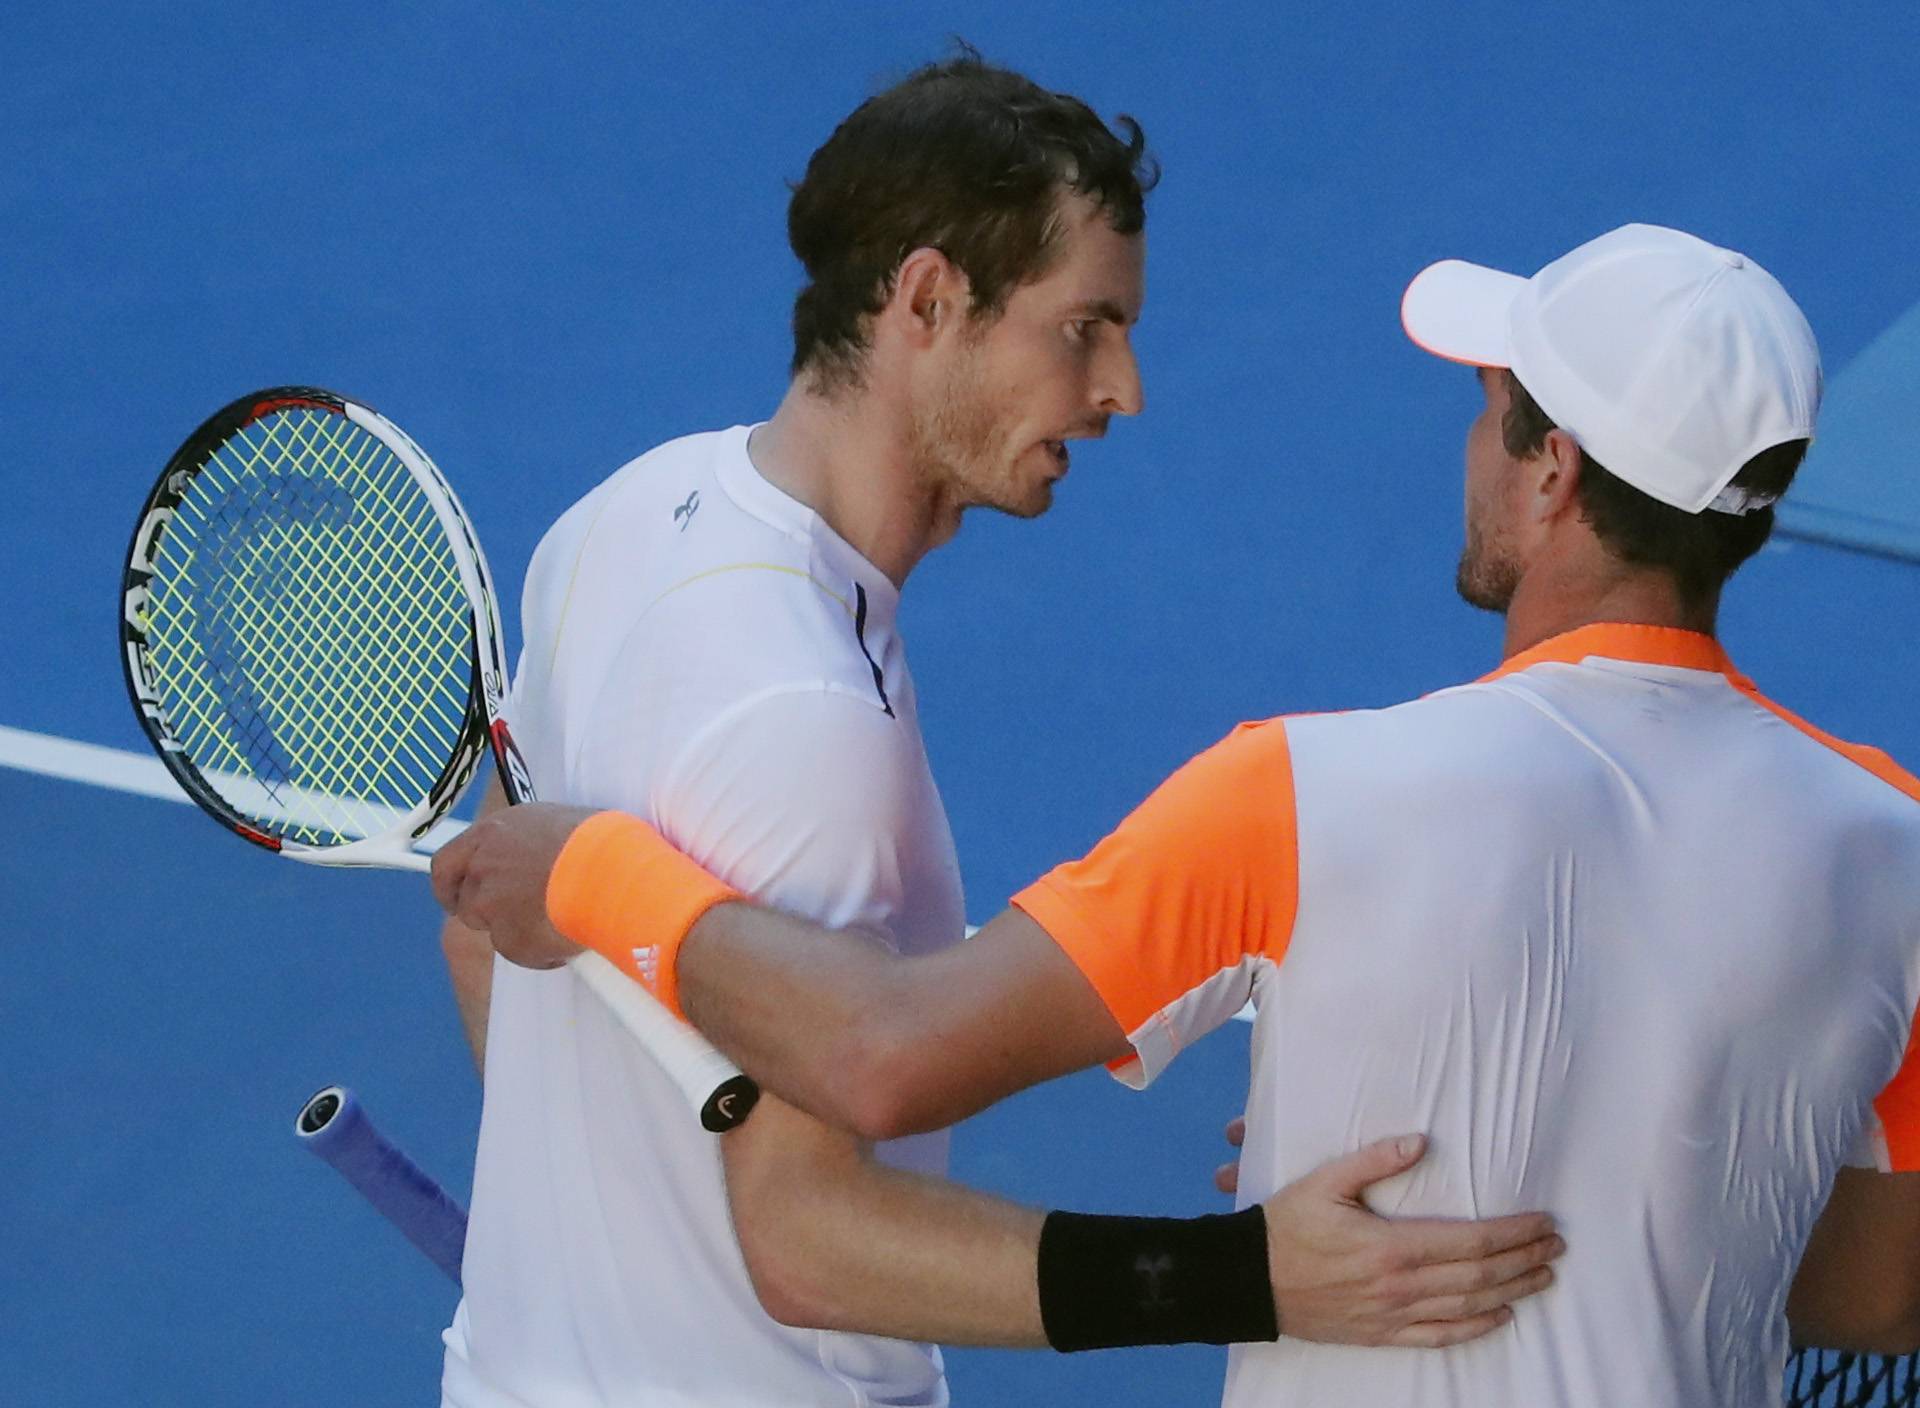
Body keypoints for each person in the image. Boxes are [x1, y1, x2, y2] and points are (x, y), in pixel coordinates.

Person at [436, 222, 1920, 1406]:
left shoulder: (1303, 797)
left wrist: (596, 873)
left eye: (1490, 414)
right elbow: (1881, 1293)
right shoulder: (1896, 842)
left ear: (1554, 472)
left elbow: (884, 1056)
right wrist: (1631, 1176)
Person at [435, 50, 1563, 1408]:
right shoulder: (811, 722)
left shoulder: (616, 521)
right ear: (928, 300)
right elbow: (805, 1242)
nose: (1123, 388)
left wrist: (591, 1247)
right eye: (1083, 327)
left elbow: (485, 929)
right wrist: (1249, 1274)